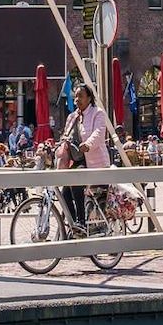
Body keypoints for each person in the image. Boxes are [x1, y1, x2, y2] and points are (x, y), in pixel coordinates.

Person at [60, 83, 109, 227]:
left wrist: (88, 144)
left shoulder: (97, 113)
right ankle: (74, 224)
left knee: (76, 182)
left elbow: (99, 133)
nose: (77, 99)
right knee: (64, 193)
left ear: (89, 98)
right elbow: (66, 135)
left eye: (80, 96)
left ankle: (81, 222)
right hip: (78, 160)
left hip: (94, 161)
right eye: (75, 96)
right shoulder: (72, 117)